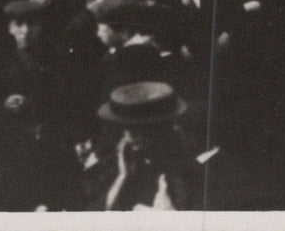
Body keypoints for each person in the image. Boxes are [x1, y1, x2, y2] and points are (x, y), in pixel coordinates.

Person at [84, 82, 199, 210]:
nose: (129, 137)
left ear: (161, 128)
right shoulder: (120, 163)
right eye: (125, 129)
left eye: (139, 129)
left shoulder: (186, 172)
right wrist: (122, 176)